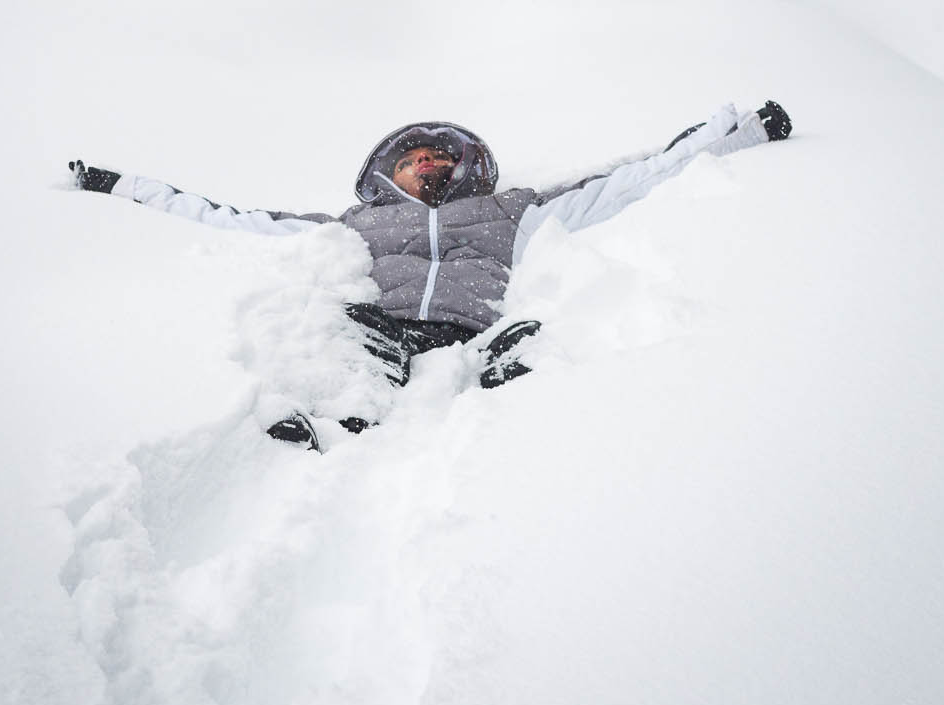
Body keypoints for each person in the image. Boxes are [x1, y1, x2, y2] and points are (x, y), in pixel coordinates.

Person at [70, 99, 792, 450]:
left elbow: (637, 176)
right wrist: (115, 187)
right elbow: (224, 217)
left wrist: (744, 131)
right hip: (380, 328)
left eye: (443, 157)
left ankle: (514, 411)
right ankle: (339, 425)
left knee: (528, 333)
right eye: (414, 156)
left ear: (471, 169)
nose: (430, 161)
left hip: (476, 329)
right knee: (344, 334)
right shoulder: (349, 225)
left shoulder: (515, 210)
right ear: (387, 173)